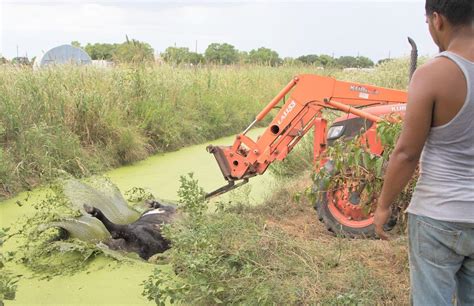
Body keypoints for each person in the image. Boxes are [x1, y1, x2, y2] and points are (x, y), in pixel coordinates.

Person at [373, 0, 474, 304]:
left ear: (437, 19)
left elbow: (406, 152)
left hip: (438, 216)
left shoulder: (433, 75)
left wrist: (383, 206)